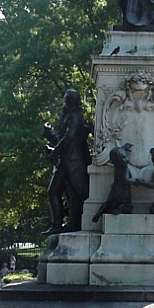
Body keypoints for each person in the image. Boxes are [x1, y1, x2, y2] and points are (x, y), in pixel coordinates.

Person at [43, 89, 91, 235]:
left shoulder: (75, 116)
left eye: (66, 100)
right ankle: (58, 225)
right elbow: (63, 139)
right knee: (55, 191)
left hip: (73, 161)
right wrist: (49, 135)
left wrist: (55, 152)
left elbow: (69, 138)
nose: (64, 103)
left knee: (73, 194)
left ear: (69, 101)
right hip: (65, 161)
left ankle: (71, 223)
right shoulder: (69, 116)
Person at [92, 144, 137, 222]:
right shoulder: (125, 168)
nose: (126, 159)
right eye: (124, 157)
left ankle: (99, 213)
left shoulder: (117, 165)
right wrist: (138, 182)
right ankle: (119, 209)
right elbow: (127, 180)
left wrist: (122, 149)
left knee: (109, 202)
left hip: (115, 189)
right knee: (128, 207)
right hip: (124, 192)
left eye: (126, 156)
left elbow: (117, 155)